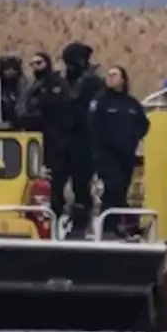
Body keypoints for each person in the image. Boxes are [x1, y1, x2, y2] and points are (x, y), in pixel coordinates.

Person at [88, 66, 150, 238]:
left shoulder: (131, 103)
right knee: (112, 187)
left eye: (114, 75)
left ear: (123, 79)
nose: (110, 78)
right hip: (106, 154)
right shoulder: (100, 101)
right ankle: (108, 227)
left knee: (122, 189)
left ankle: (119, 226)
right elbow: (92, 125)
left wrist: (133, 139)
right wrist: (106, 142)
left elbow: (143, 124)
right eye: (109, 75)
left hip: (126, 154)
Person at [59, 41, 104, 234]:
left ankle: (80, 221)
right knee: (58, 182)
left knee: (81, 183)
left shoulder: (92, 83)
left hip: (83, 140)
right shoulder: (62, 81)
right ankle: (63, 216)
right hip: (63, 138)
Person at [21, 52, 74, 216]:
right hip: (33, 140)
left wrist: (40, 109)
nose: (36, 67)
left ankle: (55, 214)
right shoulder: (31, 86)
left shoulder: (57, 84)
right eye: (33, 64)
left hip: (54, 141)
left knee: (54, 182)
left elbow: (59, 110)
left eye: (39, 63)